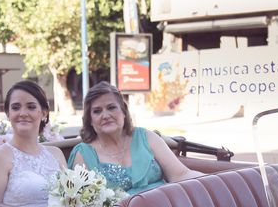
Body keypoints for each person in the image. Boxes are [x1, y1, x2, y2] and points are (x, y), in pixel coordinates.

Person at [68, 82, 202, 195]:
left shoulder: (146, 137)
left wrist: (218, 182)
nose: (105, 115)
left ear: (123, 112)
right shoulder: (83, 154)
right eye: (97, 111)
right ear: (90, 120)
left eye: (111, 107)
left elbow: (180, 175)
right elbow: (83, 203)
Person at [0, 80, 67, 207]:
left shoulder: (56, 154)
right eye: (15, 107)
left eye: (31, 107)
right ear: (8, 114)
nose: (23, 113)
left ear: (44, 113)